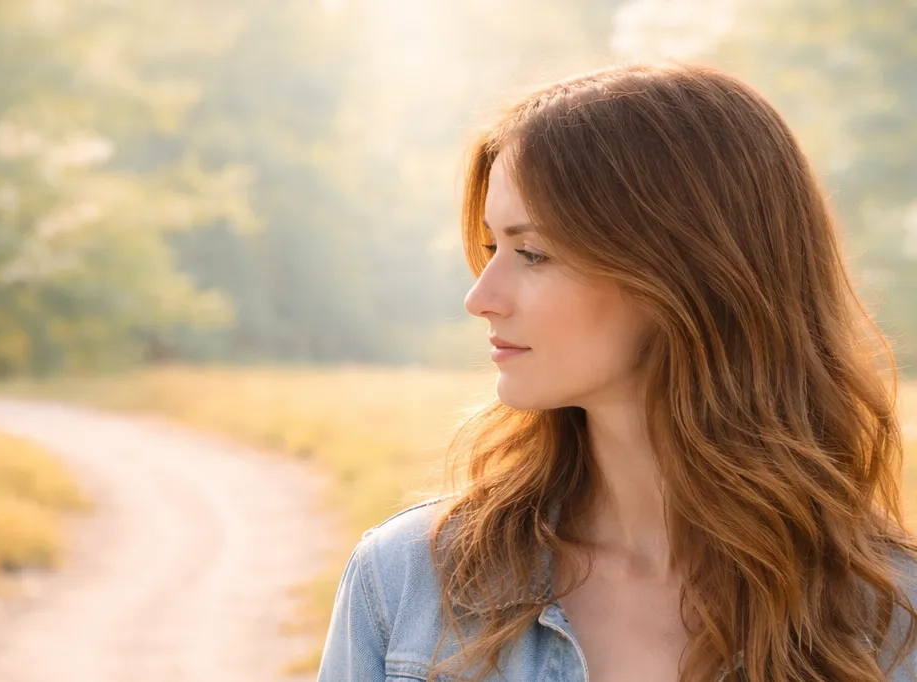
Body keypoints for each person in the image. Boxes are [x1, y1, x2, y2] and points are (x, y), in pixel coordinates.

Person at [316, 62, 917, 682]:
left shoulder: (895, 619)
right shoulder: (407, 582)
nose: (480, 296)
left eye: (533, 253)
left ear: (685, 272)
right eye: (493, 248)